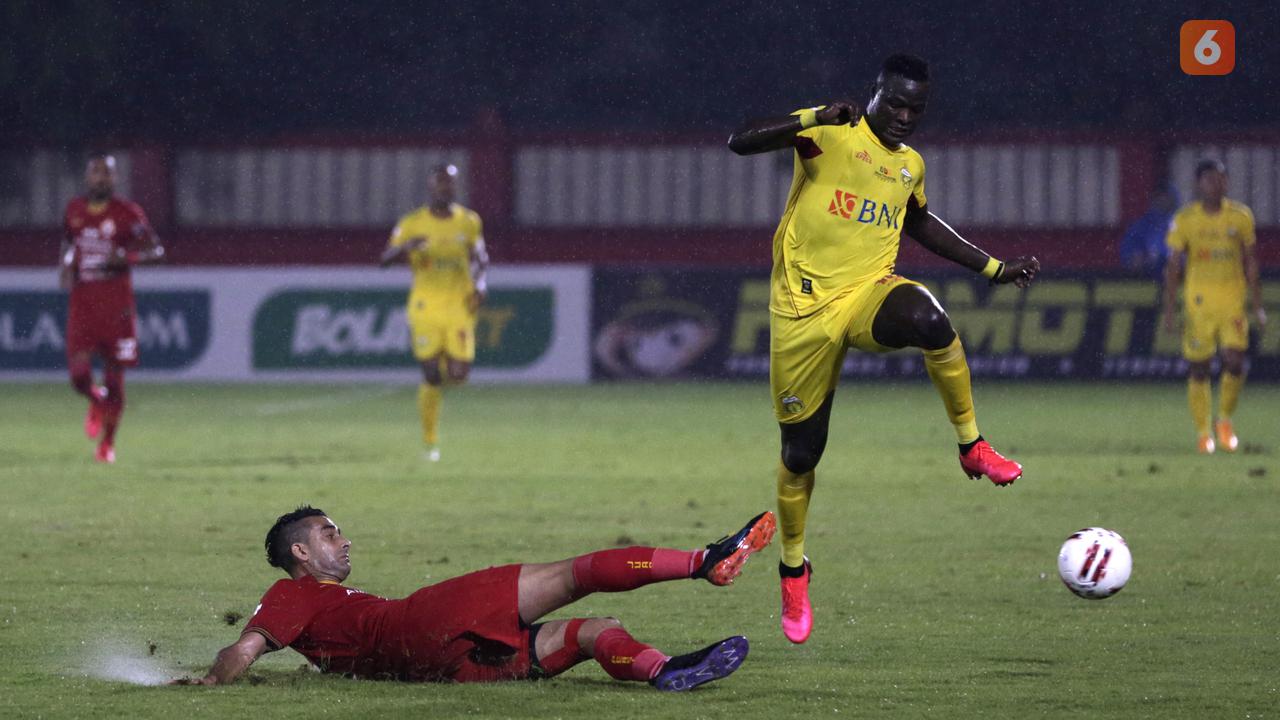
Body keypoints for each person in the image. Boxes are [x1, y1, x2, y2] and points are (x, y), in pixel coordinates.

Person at [727, 53, 1040, 644]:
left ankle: (972, 445)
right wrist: (814, 114)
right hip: (802, 312)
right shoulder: (829, 131)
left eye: (915, 109)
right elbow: (740, 141)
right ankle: (794, 569)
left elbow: (917, 221)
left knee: (929, 316)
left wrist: (993, 267)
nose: (903, 116)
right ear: (873, 94)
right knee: (801, 455)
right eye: (894, 103)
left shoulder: (910, 166)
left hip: (868, 292)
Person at [172, 507, 776, 690]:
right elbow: (245, 646)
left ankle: (666, 671)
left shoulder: (332, 603)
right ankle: (707, 561)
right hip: (417, 624)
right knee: (574, 574)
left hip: (439, 668)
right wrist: (210, 681)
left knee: (596, 628)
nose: (343, 538)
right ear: (300, 554)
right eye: (329, 533)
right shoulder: (289, 592)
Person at [59, 152, 165, 464]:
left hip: (116, 306)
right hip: (83, 302)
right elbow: (68, 243)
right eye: (96, 173)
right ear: (87, 177)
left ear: (114, 178)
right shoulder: (74, 210)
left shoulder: (127, 213)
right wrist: (65, 264)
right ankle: (95, 398)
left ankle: (107, 443)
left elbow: (156, 251)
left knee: (115, 377)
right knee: (79, 376)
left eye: (106, 173)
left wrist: (128, 258)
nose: (100, 178)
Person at [380, 164, 489, 463]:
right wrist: (406, 247)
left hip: (459, 305)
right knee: (430, 375)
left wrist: (480, 284)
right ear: (431, 186)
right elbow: (384, 259)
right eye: (440, 183)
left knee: (458, 374)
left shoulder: (469, 221)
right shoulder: (412, 223)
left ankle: (439, 376)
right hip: (425, 306)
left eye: (450, 183)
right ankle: (430, 440)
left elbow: (481, 257)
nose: (445, 188)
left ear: (455, 187)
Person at [1161, 158, 1265, 454]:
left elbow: (1251, 261)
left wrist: (1257, 305)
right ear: (1198, 184)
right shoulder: (1185, 219)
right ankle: (1203, 433)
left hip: (1232, 301)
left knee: (1234, 360)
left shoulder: (1241, 217)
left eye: (1220, 178)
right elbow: (1173, 266)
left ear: (1226, 183)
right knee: (1199, 369)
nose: (1215, 184)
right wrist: (1170, 310)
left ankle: (1224, 421)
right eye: (1208, 179)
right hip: (1198, 304)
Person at [1119, 185, 1178, 278]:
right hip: (1146, 281)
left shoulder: (1182, 224)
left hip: (1180, 280)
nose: (1164, 200)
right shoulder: (1140, 226)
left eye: (1167, 196)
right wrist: (1139, 259)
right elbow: (1129, 257)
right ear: (1154, 198)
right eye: (1160, 196)